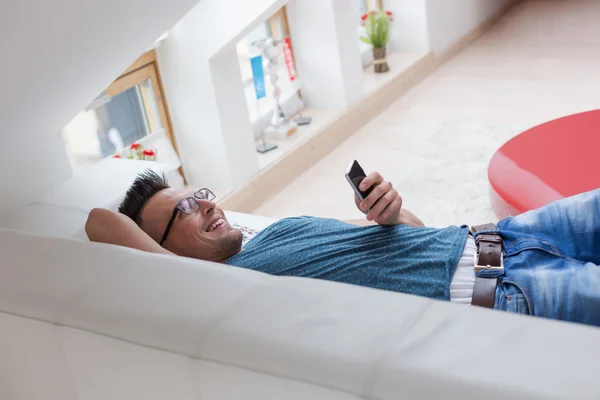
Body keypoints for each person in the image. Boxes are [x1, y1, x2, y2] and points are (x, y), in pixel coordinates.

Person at [86, 169, 600, 327]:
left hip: (509, 235)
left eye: (198, 194)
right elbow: (99, 221)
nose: (204, 205)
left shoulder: (277, 232)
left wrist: (391, 213)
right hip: (516, 291)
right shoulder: (223, 288)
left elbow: (414, 239)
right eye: (181, 211)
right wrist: (164, 264)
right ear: (164, 254)